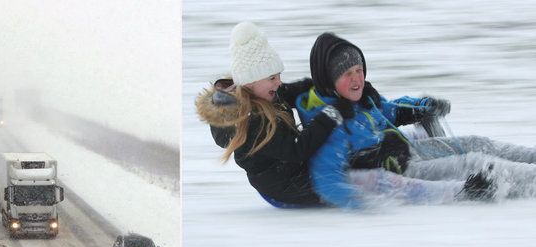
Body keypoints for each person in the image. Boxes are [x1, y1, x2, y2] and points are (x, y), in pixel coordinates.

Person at [296, 32, 536, 208]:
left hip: (408, 150)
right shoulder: (328, 121)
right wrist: (362, 204)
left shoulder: (361, 99)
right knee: (473, 163)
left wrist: (420, 107)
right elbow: (325, 178)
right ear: (328, 79)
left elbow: (390, 110)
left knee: (476, 142)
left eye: (359, 69)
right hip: (402, 169)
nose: (357, 78)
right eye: (347, 74)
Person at [195, 22, 343, 207]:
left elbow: (290, 91)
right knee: (347, 172)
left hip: (291, 169)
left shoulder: (263, 93)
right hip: (286, 186)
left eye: (278, 75)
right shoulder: (254, 122)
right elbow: (297, 149)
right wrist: (330, 115)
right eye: (272, 78)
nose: (279, 83)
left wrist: (322, 84)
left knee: (342, 151)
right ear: (249, 83)